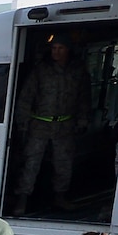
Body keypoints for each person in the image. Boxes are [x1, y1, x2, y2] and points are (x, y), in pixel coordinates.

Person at [16, 32, 89, 207]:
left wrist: (83, 121)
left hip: (65, 125)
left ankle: (60, 198)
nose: (56, 52)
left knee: (63, 164)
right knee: (31, 163)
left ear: (68, 50)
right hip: (39, 125)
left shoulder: (78, 71)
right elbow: (26, 97)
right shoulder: (41, 70)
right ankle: (22, 199)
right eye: (54, 48)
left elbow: (84, 98)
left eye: (60, 48)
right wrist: (22, 122)